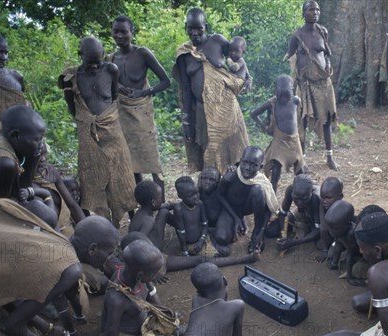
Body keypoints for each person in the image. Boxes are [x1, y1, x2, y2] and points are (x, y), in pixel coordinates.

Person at [58, 36, 136, 228]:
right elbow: (72, 107)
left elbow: (113, 98)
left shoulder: (110, 70)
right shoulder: (71, 77)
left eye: (98, 62)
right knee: (90, 174)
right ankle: (97, 225)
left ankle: (133, 220)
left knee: (122, 172)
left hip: (112, 127)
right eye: (90, 63)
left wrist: (104, 119)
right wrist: (87, 121)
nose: (95, 67)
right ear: (80, 55)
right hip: (88, 130)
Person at [97, 240, 181, 336]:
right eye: (154, 273)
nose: (157, 275)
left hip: (144, 329)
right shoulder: (117, 299)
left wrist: (166, 317)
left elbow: (154, 303)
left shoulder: (135, 275)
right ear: (141, 274)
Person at [174, 8, 249, 173]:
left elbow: (237, 54)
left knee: (234, 152)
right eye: (190, 28)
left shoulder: (217, 41)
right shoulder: (184, 54)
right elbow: (185, 88)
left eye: (199, 28)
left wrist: (247, 75)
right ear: (185, 27)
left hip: (228, 107)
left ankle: (237, 189)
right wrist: (187, 122)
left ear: (205, 26)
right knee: (209, 153)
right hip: (202, 111)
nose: (195, 33)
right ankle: (213, 192)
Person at [109, 15, 170, 198]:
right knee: (131, 160)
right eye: (116, 31)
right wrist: (117, 86)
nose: (119, 36)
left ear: (132, 33)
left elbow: (165, 82)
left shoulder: (142, 53)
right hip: (122, 114)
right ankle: (144, 202)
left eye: (124, 31)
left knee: (152, 160)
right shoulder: (111, 58)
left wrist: (143, 93)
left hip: (142, 113)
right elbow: (107, 85)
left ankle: (162, 203)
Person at [285, 0, 339, 171]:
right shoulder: (297, 36)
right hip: (305, 85)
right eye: (310, 10)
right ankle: (303, 160)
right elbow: (290, 57)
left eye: (317, 10)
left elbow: (326, 53)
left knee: (327, 120)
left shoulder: (323, 32)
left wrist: (328, 64)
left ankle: (330, 157)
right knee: (304, 121)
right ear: (304, 13)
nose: (315, 12)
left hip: (324, 84)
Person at [217, 146, 280, 254]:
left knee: (258, 190)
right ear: (240, 161)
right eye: (245, 163)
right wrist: (235, 218)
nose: (247, 168)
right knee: (222, 238)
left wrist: (261, 231)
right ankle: (238, 221)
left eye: (253, 165)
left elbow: (268, 208)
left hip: (247, 207)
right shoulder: (231, 176)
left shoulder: (262, 182)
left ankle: (255, 233)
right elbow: (220, 195)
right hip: (231, 208)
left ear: (260, 167)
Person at [251, 74, 304, 192]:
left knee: (300, 170)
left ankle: (302, 191)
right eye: (281, 94)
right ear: (276, 91)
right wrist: (264, 126)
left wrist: (298, 100)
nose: (284, 98)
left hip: (294, 141)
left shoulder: (295, 102)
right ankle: (272, 195)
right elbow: (253, 114)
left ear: (292, 90)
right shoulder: (272, 103)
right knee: (276, 171)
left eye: (287, 94)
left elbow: (300, 117)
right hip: (279, 141)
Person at [0, 105, 43, 204]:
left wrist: (33, 158)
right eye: (37, 140)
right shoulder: (4, 163)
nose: (42, 145)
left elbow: (23, 189)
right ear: (15, 136)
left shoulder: (17, 147)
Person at [32, 142, 85, 236]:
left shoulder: (51, 172)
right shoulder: (23, 181)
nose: (43, 158)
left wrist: (87, 228)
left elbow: (71, 204)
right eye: (39, 155)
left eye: (45, 153)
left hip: (66, 232)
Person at [272, 174, 321, 254]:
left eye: (304, 199)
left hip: (315, 217)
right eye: (296, 198)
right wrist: (283, 234)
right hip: (301, 212)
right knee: (271, 231)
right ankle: (298, 230)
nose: (300, 203)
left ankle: (303, 229)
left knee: (320, 244)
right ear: (293, 191)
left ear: (311, 192)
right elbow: (283, 213)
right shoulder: (290, 190)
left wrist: (293, 243)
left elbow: (318, 230)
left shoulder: (316, 198)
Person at [324, 200, 366, 286]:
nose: (331, 231)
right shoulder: (338, 226)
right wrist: (334, 263)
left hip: (360, 253)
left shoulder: (352, 232)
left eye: (334, 228)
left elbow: (350, 254)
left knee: (358, 270)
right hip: (345, 243)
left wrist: (349, 278)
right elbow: (337, 242)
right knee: (331, 253)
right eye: (329, 227)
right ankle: (334, 263)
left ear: (348, 224)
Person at [129, 180, 171, 250]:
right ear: (153, 202)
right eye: (160, 198)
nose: (161, 200)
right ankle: (182, 229)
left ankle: (181, 227)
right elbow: (138, 242)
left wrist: (170, 205)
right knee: (164, 212)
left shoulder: (142, 210)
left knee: (164, 211)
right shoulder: (149, 221)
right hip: (153, 249)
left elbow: (158, 206)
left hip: (146, 243)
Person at [171, 176, 208, 256]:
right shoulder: (179, 209)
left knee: (223, 252)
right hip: (189, 245)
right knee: (201, 258)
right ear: (180, 196)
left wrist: (201, 240)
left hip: (201, 240)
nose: (195, 197)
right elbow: (181, 232)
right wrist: (184, 251)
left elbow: (205, 224)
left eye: (196, 192)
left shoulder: (200, 204)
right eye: (190, 195)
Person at [316, 176, 343, 260]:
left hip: (340, 239)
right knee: (319, 245)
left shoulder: (343, 210)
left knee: (332, 255)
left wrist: (333, 245)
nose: (325, 201)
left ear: (340, 196)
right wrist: (324, 250)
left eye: (329, 198)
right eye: (323, 197)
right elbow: (323, 228)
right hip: (329, 233)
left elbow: (340, 235)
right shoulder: (322, 204)